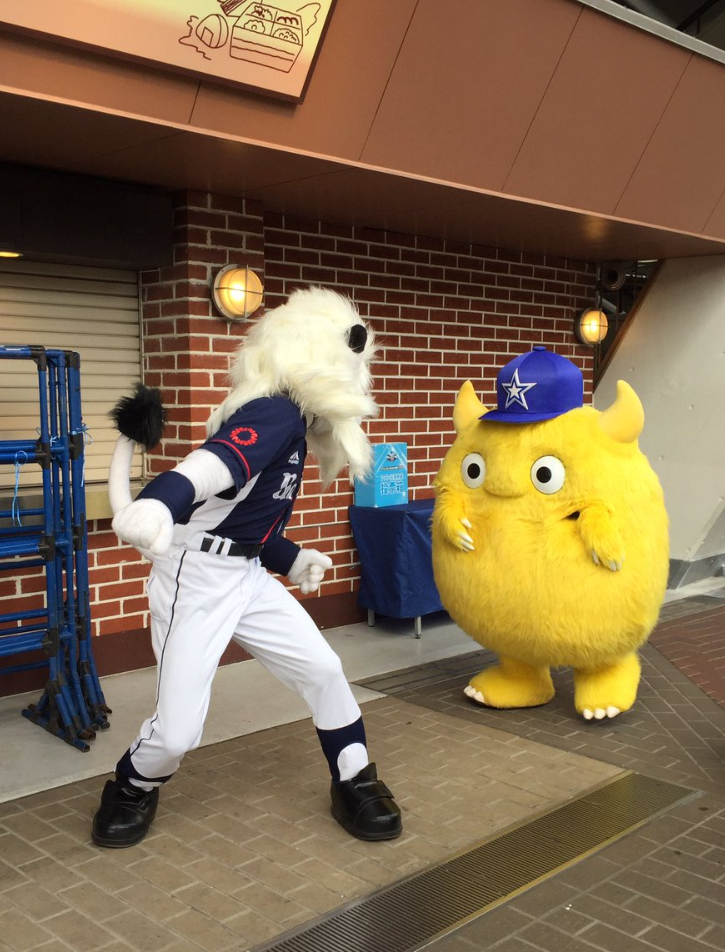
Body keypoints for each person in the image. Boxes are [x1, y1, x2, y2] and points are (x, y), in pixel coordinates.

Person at [91, 286, 402, 848]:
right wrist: (161, 501)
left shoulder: (297, 425)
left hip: (246, 577)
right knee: (179, 728)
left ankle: (354, 775)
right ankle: (134, 783)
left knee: (324, 670)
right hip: (196, 581)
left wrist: (294, 556)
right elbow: (210, 467)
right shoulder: (277, 411)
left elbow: (244, 523)